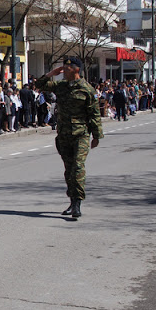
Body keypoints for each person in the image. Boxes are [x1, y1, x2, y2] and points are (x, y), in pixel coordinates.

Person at [35, 57, 103, 218]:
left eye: (68, 68)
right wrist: (52, 73)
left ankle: (78, 203)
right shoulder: (61, 86)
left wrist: (96, 136)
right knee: (69, 170)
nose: (64, 71)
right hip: (64, 134)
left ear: (77, 69)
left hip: (81, 134)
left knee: (78, 168)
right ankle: (72, 201)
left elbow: (94, 114)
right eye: (63, 68)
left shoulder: (87, 89)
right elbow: (39, 85)